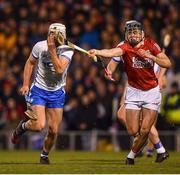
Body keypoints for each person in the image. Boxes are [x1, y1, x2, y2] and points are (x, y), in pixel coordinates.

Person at [88, 20, 171, 165]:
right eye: (130, 32)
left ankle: (131, 157)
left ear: (142, 34)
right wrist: (98, 52)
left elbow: (167, 63)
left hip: (151, 91)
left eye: (136, 32)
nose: (133, 35)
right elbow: (112, 52)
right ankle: (151, 147)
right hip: (133, 91)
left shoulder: (151, 45)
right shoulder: (124, 46)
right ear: (126, 35)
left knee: (145, 129)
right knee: (133, 130)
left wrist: (150, 56)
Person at [11, 23, 74, 164]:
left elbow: (59, 69)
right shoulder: (40, 46)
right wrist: (26, 84)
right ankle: (22, 127)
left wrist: (52, 50)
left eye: (56, 34)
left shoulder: (68, 50)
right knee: (39, 126)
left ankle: (44, 155)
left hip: (57, 92)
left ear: (62, 36)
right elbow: (30, 63)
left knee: (53, 130)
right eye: (51, 34)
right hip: (39, 89)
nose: (52, 37)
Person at [114, 60, 168, 161]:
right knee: (123, 116)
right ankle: (158, 149)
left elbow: (165, 63)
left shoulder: (150, 50)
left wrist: (160, 77)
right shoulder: (132, 50)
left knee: (147, 125)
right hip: (135, 89)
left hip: (147, 91)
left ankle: (152, 148)